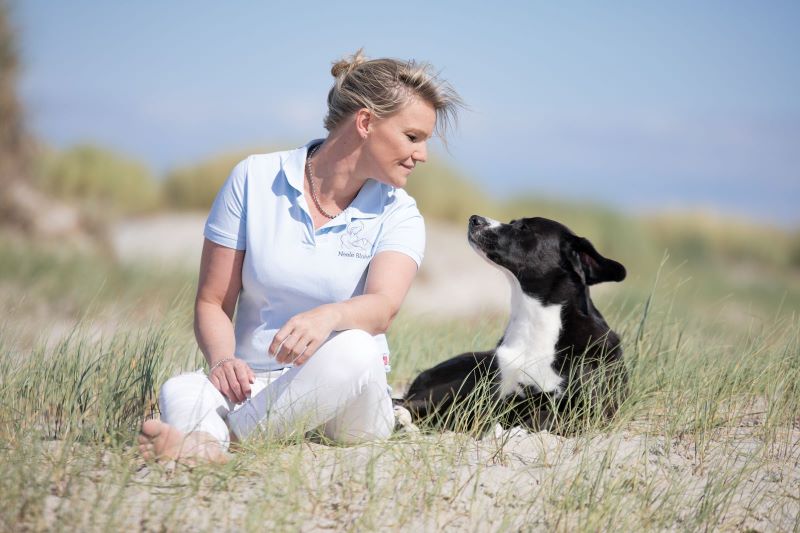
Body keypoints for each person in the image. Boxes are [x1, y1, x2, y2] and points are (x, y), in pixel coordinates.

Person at [138, 50, 462, 463]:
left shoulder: (400, 212)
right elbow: (213, 302)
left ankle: (224, 440)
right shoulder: (254, 178)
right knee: (183, 387)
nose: (423, 155)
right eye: (412, 137)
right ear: (366, 123)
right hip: (260, 386)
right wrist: (222, 360)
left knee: (357, 349)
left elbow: (382, 308)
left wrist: (327, 317)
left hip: (353, 403)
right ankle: (207, 444)